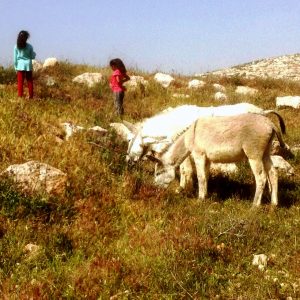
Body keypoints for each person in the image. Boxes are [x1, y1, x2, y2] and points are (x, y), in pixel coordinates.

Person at [14, 30, 36, 98]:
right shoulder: (30, 46)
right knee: (29, 81)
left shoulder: (16, 46)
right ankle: (31, 96)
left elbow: (15, 59)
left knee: (20, 82)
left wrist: (15, 67)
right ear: (26, 38)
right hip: (28, 65)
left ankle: (20, 96)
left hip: (20, 65)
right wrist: (34, 54)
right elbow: (32, 56)